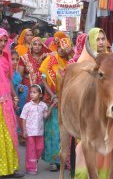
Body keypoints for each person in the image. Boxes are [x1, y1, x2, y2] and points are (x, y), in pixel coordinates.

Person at [74, 27, 113, 179]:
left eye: (103, 39)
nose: (101, 42)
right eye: (98, 39)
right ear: (90, 41)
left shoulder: (110, 59)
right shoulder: (82, 62)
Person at [39, 37, 72, 172]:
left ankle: (65, 159)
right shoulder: (50, 60)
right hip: (52, 100)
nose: (62, 51)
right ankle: (53, 161)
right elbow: (43, 80)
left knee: (65, 132)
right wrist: (53, 95)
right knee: (53, 132)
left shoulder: (71, 62)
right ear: (57, 47)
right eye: (60, 48)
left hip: (67, 102)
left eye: (65, 48)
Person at [0, 28, 24, 178]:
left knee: (10, 133)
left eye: (4, 41)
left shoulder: (5, 57)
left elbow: (8, 80)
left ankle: (11, 168)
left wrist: (14, 96)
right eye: (0, 41)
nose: (2, 44)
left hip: (6, 101)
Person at [20, 84, 54, 175]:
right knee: (31, 150)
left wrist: (51, 107)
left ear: (40, 95)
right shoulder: (27, 106)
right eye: (31, 92)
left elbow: (46, 116)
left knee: (40, 148)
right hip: (30, 132)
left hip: (39, 132)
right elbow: (23, 118)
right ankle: (31, 168)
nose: (31, 94)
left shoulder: (43, 106)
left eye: (34, 92)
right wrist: (24, 131)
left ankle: (33, 162)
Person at [18, 37, 51, 101]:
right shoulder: (24, 58)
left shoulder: (46, 58)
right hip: (29, 90)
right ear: (31, 45)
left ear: (42, 46)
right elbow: (20, 76)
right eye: (35, 44)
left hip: (43, 89)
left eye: (39, 45)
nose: (37, 46)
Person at [11, 50, 28, 144]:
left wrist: (20, 89)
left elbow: (18, 86)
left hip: (16, 103)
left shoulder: (16, 74)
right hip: (7, 102)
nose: (14, 62)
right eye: (12, 59)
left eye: (16, 60)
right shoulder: (4, 73)